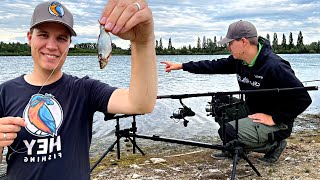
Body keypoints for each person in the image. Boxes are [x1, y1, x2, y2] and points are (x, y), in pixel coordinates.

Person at [0, 1, 157, 179]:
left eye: (61, 38)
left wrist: (143, 41)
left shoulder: (84, 90)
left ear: (69, 44)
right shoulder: (4, 92)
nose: (51, 46)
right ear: (29, 37)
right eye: (43, 35)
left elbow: (140, 103)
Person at [161, 20, 312, 164]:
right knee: (219, 103)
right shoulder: (239, 60)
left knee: (228, 132)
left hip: (278, 123)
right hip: (253, 111)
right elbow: (213, 65)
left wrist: (274, 118)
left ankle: (273, 146)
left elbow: (303, 98)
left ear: (244, 42)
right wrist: (181, 65)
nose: (228, 47)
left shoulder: (275, 66)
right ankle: (236, 148)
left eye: (230, 43)